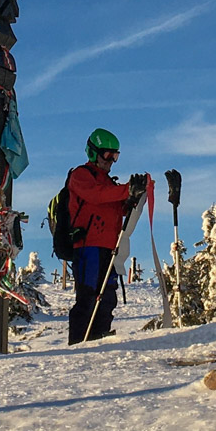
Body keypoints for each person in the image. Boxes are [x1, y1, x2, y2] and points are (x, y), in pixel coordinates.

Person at [64, 128, 147, 344]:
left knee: (108, 296)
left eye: (115, 156)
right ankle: (79, 343)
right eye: (107, 155)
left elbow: (117, 208)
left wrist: (132, 199)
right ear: (93, 153)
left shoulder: (109, 182)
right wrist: (126, 191)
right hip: (88, 246)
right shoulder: (81, 175)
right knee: (88, 296)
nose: (111, 161)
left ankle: (100, 338)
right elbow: (96, 196)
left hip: (110, 248)